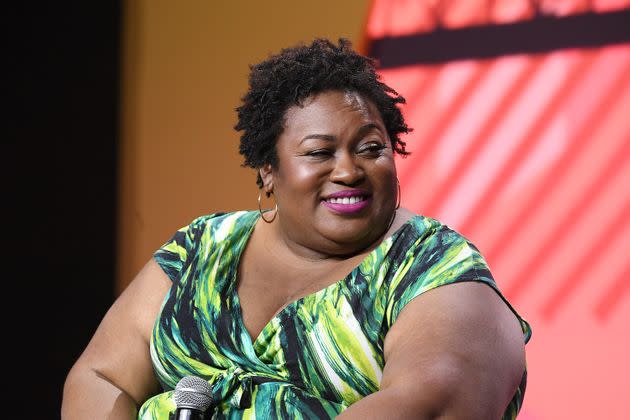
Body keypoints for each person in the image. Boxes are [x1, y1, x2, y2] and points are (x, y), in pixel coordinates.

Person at [62, 38, 531, 419]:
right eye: (319, 153)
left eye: (370, 148)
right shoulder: (202, 250)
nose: (348, 171)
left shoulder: (432, 267)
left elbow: (434, 403)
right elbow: (99, 377)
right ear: (269, 170)